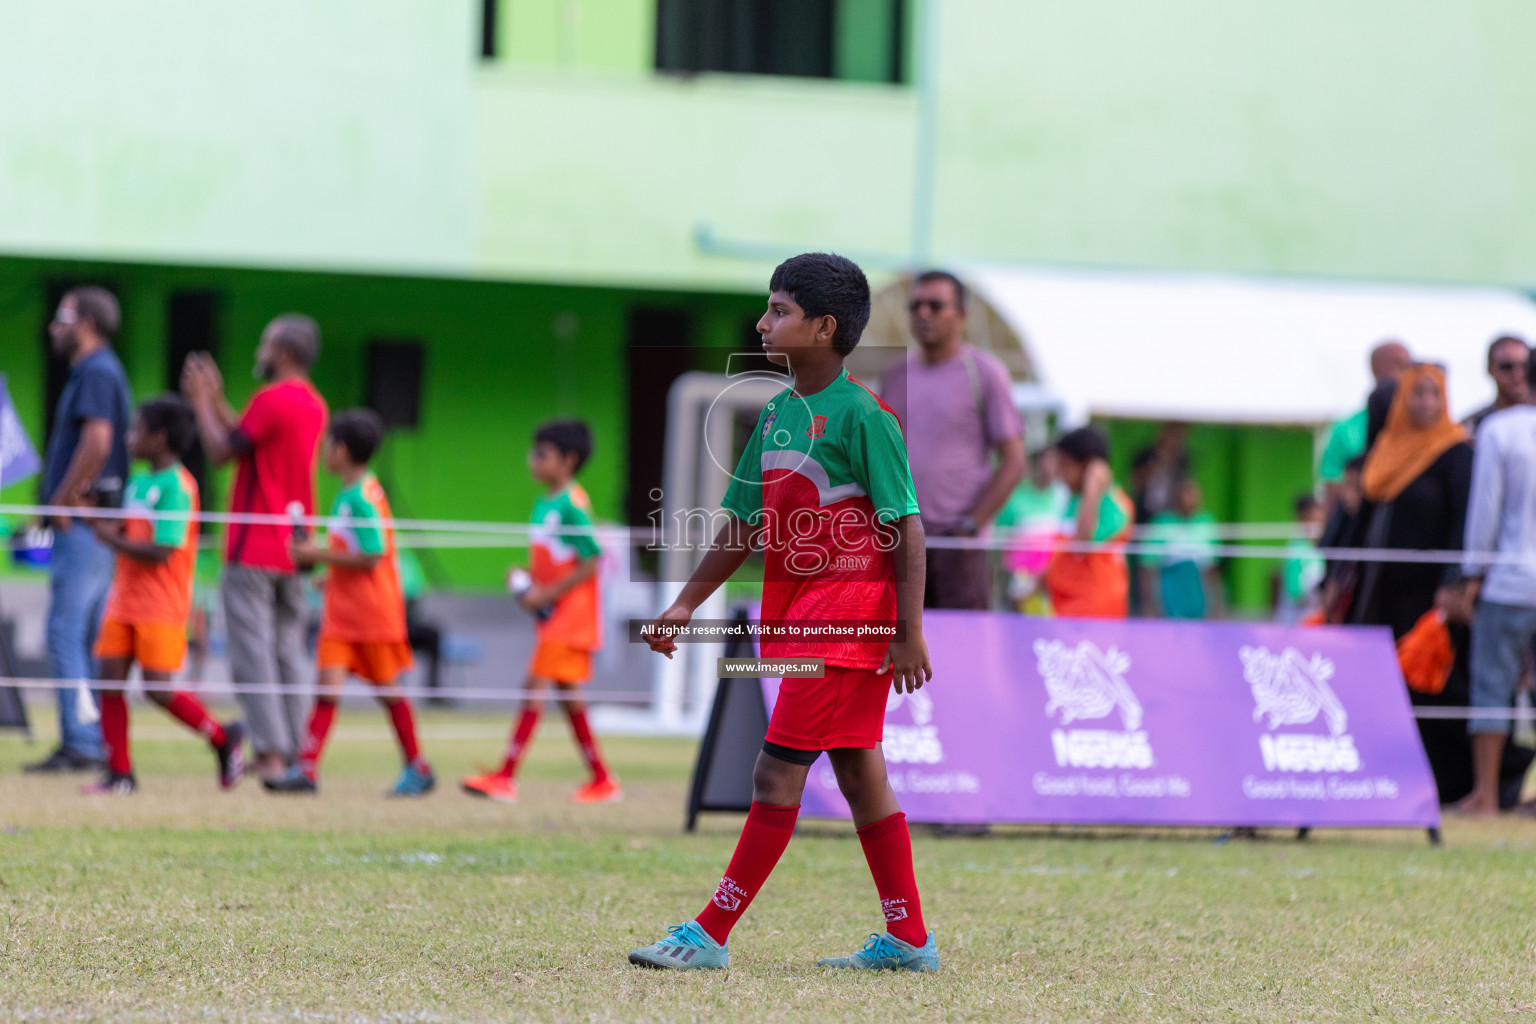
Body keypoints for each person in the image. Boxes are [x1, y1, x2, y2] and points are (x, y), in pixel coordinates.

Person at [628, 253, 936, 972]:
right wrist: (681, 605)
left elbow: (908, 527)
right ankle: (910, 938)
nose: (764, 323)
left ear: (824, 328)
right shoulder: (774, 414)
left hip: (844, 627)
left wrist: (908, 633)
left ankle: (709, 933)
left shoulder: (864, 416)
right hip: (799, 625)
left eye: (779, 311)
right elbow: (742, 526)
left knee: (773, 775)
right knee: (861, 777)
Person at [182, 315, 328, 782]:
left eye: (265, 345)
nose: (259, 353)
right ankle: (293, 751)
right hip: (294, 547)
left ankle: (269, 752)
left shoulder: (271, 398)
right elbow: (248, 441)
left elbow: (223, 451)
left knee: (252, 654)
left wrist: (202, 404)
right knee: (287, 652)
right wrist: (221, 402)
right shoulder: (312, 403)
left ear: (284, 353)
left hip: (253, 546)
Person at [264, 409, 434, 796]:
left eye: (327, 444)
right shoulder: (350, 493)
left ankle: (418, 766)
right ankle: (306, 770)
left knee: (389, 691)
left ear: (341, 450)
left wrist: (317, 555)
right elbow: (354, 551)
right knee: (327, 688)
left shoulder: (362, 498)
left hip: (371, 615)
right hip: (342, 614)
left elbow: (373, 555)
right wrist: (329, 572)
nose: (323, 451)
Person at [85, 396, 245, 794]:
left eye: (137, 430)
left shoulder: (179, 486)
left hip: (161, 603)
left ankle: (222, 737)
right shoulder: (139, 482)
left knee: (158, 689)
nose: (129, 438)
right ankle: (120, 773)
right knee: (109, 682)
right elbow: (125, 533)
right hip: (123, 597)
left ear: (158, 438)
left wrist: (105, 535)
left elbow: (160, 552)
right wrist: (95, 513)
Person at [460, 419, 619, 804]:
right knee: (569, 696)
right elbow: (556, 560)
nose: (533, 461)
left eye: (542, 454)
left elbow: (591, 561)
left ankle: (506, 776)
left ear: (568, 460)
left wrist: (546, 593)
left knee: (534, 687)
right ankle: (602, 779)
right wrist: (525, 578)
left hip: (570, 616)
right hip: (555, 615)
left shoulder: (572, 504)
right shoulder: (545, 502)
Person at [1342, 366, 1475, 802]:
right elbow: (1361, 521)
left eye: (1433, 394)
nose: (1425, 404)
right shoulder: (1385, 448)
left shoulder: (1455, 451)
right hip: (1378, 594)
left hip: (1427, 595)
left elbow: (1462, 521)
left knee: (1425, 683)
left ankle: (1436, 782)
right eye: (1416, 394)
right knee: (1375, 682)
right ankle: (1372, 774)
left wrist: (1454, 582)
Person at [25, 287, 133, 774]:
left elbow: (98, 439)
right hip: (90, 526)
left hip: (85, 526)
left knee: (66, 630)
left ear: (86, 322)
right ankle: (88, 737)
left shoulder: (95, 371)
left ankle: (82, 742)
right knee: (83, 633)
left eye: (62, 316)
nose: (54, 326)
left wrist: (63, 497)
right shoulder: (96, 371)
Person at [879, 270, 1024, 610]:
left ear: (961, 314)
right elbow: (878, 455)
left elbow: (1015, 461)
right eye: (915, 306)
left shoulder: (985, 373)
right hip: (898, 542)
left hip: (958, 548)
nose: (923, 314)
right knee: (894, 654)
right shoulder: (895, 375)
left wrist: (971, 526)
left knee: (961, 654)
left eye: (935, 305)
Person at [1455, 352, 1536, 816]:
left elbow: (1485, 510)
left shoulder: (1499, 429)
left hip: (1508, 579)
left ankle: (1485, 795)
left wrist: (1472, 573)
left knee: (1491, 687)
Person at [1045, 427, 1135, 619]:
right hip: (1065, 609)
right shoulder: (1075, 500)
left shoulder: (1116, 505)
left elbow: (1081, 545)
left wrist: (1093, 485)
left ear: (1089, 466)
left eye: (1065, 465)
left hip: (1095, 616)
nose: (1060, 473)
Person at [1318, 341, 1413, 514]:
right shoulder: (1345, 429)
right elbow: (1333, 490)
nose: (1408, 372)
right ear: (1376, 368)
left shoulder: (1425, 429)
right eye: (1400, 365)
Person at [995, 447, 1068, 615]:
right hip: (1021, 576)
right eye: (1047, 462)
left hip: (1054, 577)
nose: (1050, 467)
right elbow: (1001, 536)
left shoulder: (1062, 497)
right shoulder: (1016, 496)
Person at [1143, 478, 1221, 619]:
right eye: (1184, 495)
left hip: (1198, 595)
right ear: (1176, 497)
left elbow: (1212, 569)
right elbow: (1148, 568)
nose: (1188, 500)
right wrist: (1149, 606)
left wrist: (1217, 605)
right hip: (1169, 594)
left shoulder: (1206, 522)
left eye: (1192, 495)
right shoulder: (1162, 523)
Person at [1462, 335, 1530, 437]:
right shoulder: (1469, 429)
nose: (1518, 374)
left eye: (1525, 366)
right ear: (1490, 369)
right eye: (1507, 366)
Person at [1277, 494, 1326, 623]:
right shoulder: (1296, 547)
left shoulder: (1321, 543)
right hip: (1297, 617)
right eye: (1312, 518)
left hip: (1315, 614)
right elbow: (1295, 591)